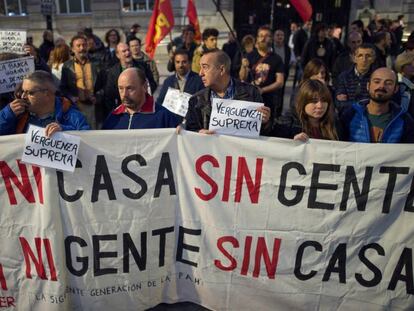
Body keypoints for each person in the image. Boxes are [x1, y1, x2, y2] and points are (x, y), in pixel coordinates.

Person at [185, 50, 271, 135]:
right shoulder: (196, 100)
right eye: (200, 68)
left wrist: (264, 122)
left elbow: (262, 134)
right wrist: (199, 133)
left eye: (205, 67)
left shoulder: (252, 93)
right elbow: (190, 131)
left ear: (221, 69)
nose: (200, 73)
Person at [0, 71, 90, 136]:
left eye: (30, 93)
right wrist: (7, 114)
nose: (23, 96)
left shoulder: (73, 116)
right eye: (23, 91)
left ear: (46, 93)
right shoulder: (16, 115)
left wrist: (64, 131)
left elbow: (89, 140)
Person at [340, 67, 414, 143]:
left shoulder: (404, 119)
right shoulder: (350, 114)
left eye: (388, 83)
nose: (381, 86)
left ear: (396, 89)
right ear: (368, 86)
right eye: (377, 82)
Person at [102, 68, 180, 130]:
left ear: (144, 87)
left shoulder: (164, 117)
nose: (124, 94)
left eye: (130, 88)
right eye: (121, 88)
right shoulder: (113, 117)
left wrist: (180, 134)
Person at [239, 26, 284, 119]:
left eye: (266, 36)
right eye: (261, 36)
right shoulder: (249, 56)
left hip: (268, 100)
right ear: (257, 38)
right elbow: (242, 78)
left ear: (271, 39)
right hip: (249, 99)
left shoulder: (276, 59)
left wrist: (262, 90)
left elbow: (280, 82)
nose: (263, 38)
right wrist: (243, 66)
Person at [273, 79, 340, 141]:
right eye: (314, 101)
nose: (320, 106)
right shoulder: (287, 123)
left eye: (324, 100)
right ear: (303, 102)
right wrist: (291, 142)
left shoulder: (335, 124)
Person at [60, 35, 104, 129]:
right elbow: (63, 87)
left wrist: (98, 96)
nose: (82, 48)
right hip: (77, 107)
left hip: (94, 107)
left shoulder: (97, 63)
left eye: (84, 45)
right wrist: (71, 97)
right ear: (72, 48)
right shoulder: (67, 66)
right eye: (78, 45)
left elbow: (105, 85)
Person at [104, 42, 157, 114]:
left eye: (128, 50)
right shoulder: (113, 72)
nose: (127, 53)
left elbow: (152, 83)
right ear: (118, 55)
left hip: (143, 108)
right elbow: (109, 94)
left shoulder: (143, 66)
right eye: (124, 51)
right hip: (123, 110)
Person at [335, 43, 376, 112]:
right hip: (347, 116)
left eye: (368, 56)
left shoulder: (376, 78)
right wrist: (365, 103)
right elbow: (340, 104)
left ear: (373, 59)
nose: (364, 60)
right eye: (360, 56)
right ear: (354, 58)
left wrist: (350, 102)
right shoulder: (344, 77)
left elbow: (376, 103)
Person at [394, 51, 414, 116]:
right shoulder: (397, 82)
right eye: (409, 64)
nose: (413, 66)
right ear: (401, 66)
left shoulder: (410, 82)